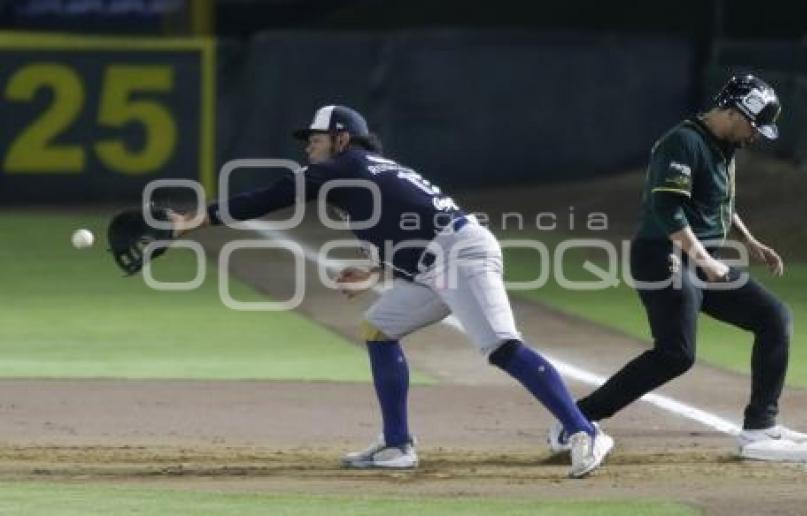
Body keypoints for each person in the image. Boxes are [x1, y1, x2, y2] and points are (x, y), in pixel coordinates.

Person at [170, 104, 614, 478]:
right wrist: (377, 270)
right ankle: (397, 445)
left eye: (316, 138)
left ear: (342, 139)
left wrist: (199, 218)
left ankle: (585, 431)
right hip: (438, 262)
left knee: (500, 346)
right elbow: (412, 222)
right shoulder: (365, 171)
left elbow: (274, 195)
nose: (309, 146)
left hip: (461, 257)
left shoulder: (345, 167)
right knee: (379, 327)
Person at [547, 74, 807, 456]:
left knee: (774, 317)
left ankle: (761, 427)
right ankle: (573, 420)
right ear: (735, 111)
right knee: (676, 354)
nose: (755, 136)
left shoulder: (724, 146)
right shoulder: (683, 142)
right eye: (754, 125)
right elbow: (667, 207)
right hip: (664, 256)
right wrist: (706, 260)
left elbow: (717, 201)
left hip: (702, 260)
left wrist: (748, 240)